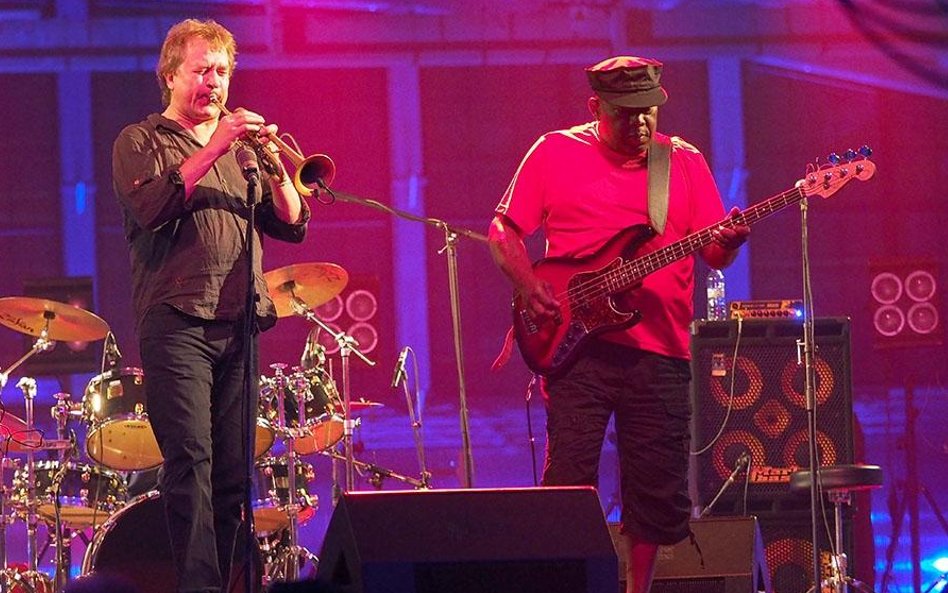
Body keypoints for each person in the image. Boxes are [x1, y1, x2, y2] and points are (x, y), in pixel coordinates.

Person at [487, 56, 750, 593]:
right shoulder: (554, 151)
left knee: (656, 492)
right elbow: (503, 229)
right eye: (625, 113)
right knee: (569, 480)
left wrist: (730, 242)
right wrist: (528, 285)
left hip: (661, 349)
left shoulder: (683, 161)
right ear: (595, 107)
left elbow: (714, 254)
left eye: (648, 110)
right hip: (576, 348)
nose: (640, 122)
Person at [112, 19, 310, 593]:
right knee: (191, 462)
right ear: (171, 75)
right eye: (201, 70)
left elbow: (292, 223)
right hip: (176, 322)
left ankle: (224, 583)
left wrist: (275, 166)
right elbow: (152, 206)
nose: (214, 82)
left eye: (222, 71)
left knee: (233, 473)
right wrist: (218, 143)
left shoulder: (243, 153)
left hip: (239, 321)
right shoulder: (141, 140)